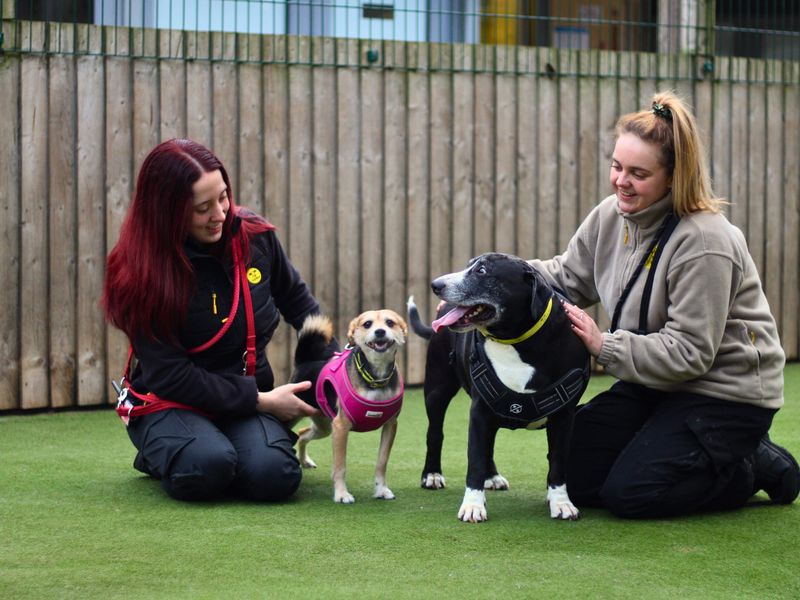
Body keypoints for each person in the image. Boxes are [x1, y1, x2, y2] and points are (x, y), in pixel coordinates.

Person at [529, 91, 799, 518]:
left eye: (638, 173)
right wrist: (490, 280)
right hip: (656, 383)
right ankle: (687, 448)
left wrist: (606, 346)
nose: (621, 181)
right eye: (617, 166)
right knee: (571, 473)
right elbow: (566, 277)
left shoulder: (706, 242)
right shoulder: (610, 215)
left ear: (673, 178)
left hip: (723, 395)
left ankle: (749, 465)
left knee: (632, 494)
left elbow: (691, 353)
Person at [102, 139, 320, 502]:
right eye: (203, 207)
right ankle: (165, 451)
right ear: (168, 214)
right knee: (206, 469)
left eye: (223, 197)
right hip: (171, 401)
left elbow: (302, 305)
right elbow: (171, 377)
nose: (220, 213)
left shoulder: (256, 238)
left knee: (275, 477)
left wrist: (325, 370)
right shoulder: (136, 272)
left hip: (245, 396)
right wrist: (264, 403)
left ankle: (223, 449)